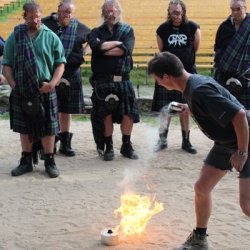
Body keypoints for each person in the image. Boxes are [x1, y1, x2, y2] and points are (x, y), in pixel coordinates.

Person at [148, 51, 250, 249]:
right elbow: (215, 105)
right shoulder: (192, 85)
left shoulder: (199, 89)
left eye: (158, 80)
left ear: (167, 77)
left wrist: (242, 152)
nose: (159, 84)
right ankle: (200, 239)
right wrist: (189, 108)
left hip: (244, 138)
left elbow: (239, 115)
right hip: (225, 142)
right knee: (202, 188)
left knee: (247, 205)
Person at [2, 1, 66, 178]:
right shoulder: (16, 36)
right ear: (24, 17)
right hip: (22, 90)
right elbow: (6, 65)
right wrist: (14, 85)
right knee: (25, 127)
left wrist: (52, 84)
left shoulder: (51, 36)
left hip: (45, 87)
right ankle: (26, 161)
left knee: (49, 126)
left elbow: (60, 63)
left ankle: (50, 160)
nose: (36, 19)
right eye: (31, 17)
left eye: (38, 15)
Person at [87, 0, 140, 161]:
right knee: (105, 114)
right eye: (107, 11)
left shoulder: (127, 30)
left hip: (123, 80)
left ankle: (126, 145)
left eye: (114, 10)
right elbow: (95, 48)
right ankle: (109, 146)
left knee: (128, 113)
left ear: (119, 12)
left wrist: (103, 49)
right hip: (103, 80)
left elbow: (127, 50)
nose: (111, 14)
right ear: (103, 13)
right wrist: (117, 44)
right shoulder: (95, 32)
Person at [42, 0, 90, 156]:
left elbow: (92, 39)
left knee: (67, 109)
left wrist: (83, 53)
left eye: (70, 12)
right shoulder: (45, 24)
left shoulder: (78, 26)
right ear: (58, 10)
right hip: (49, 72)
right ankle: (50, 142)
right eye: (64, 12)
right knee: (50, 108)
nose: (67, 15)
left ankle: (65, 143)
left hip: (71, 72)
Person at [152, 0, 201, 154]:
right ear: (169, 12)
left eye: (178, 12)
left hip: (187, 74)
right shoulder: (162, 29)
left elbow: (195, 49)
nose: (176, 15)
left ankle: (186, 141)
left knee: (184, 108)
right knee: (165, 108)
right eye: (173, 12)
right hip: (167, 75)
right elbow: (162, 50)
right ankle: (162, 140)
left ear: (183, 12)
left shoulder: (193, 27)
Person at [214, 0, 250, 109]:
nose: (235, 12)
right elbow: (218, 49)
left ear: (245, 8)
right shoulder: (224, 27)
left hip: (247, 74)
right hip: (225, 74)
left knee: (246, 110)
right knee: (226, 108)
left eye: (238, 9)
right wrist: (221, 66)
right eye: (233, 9)